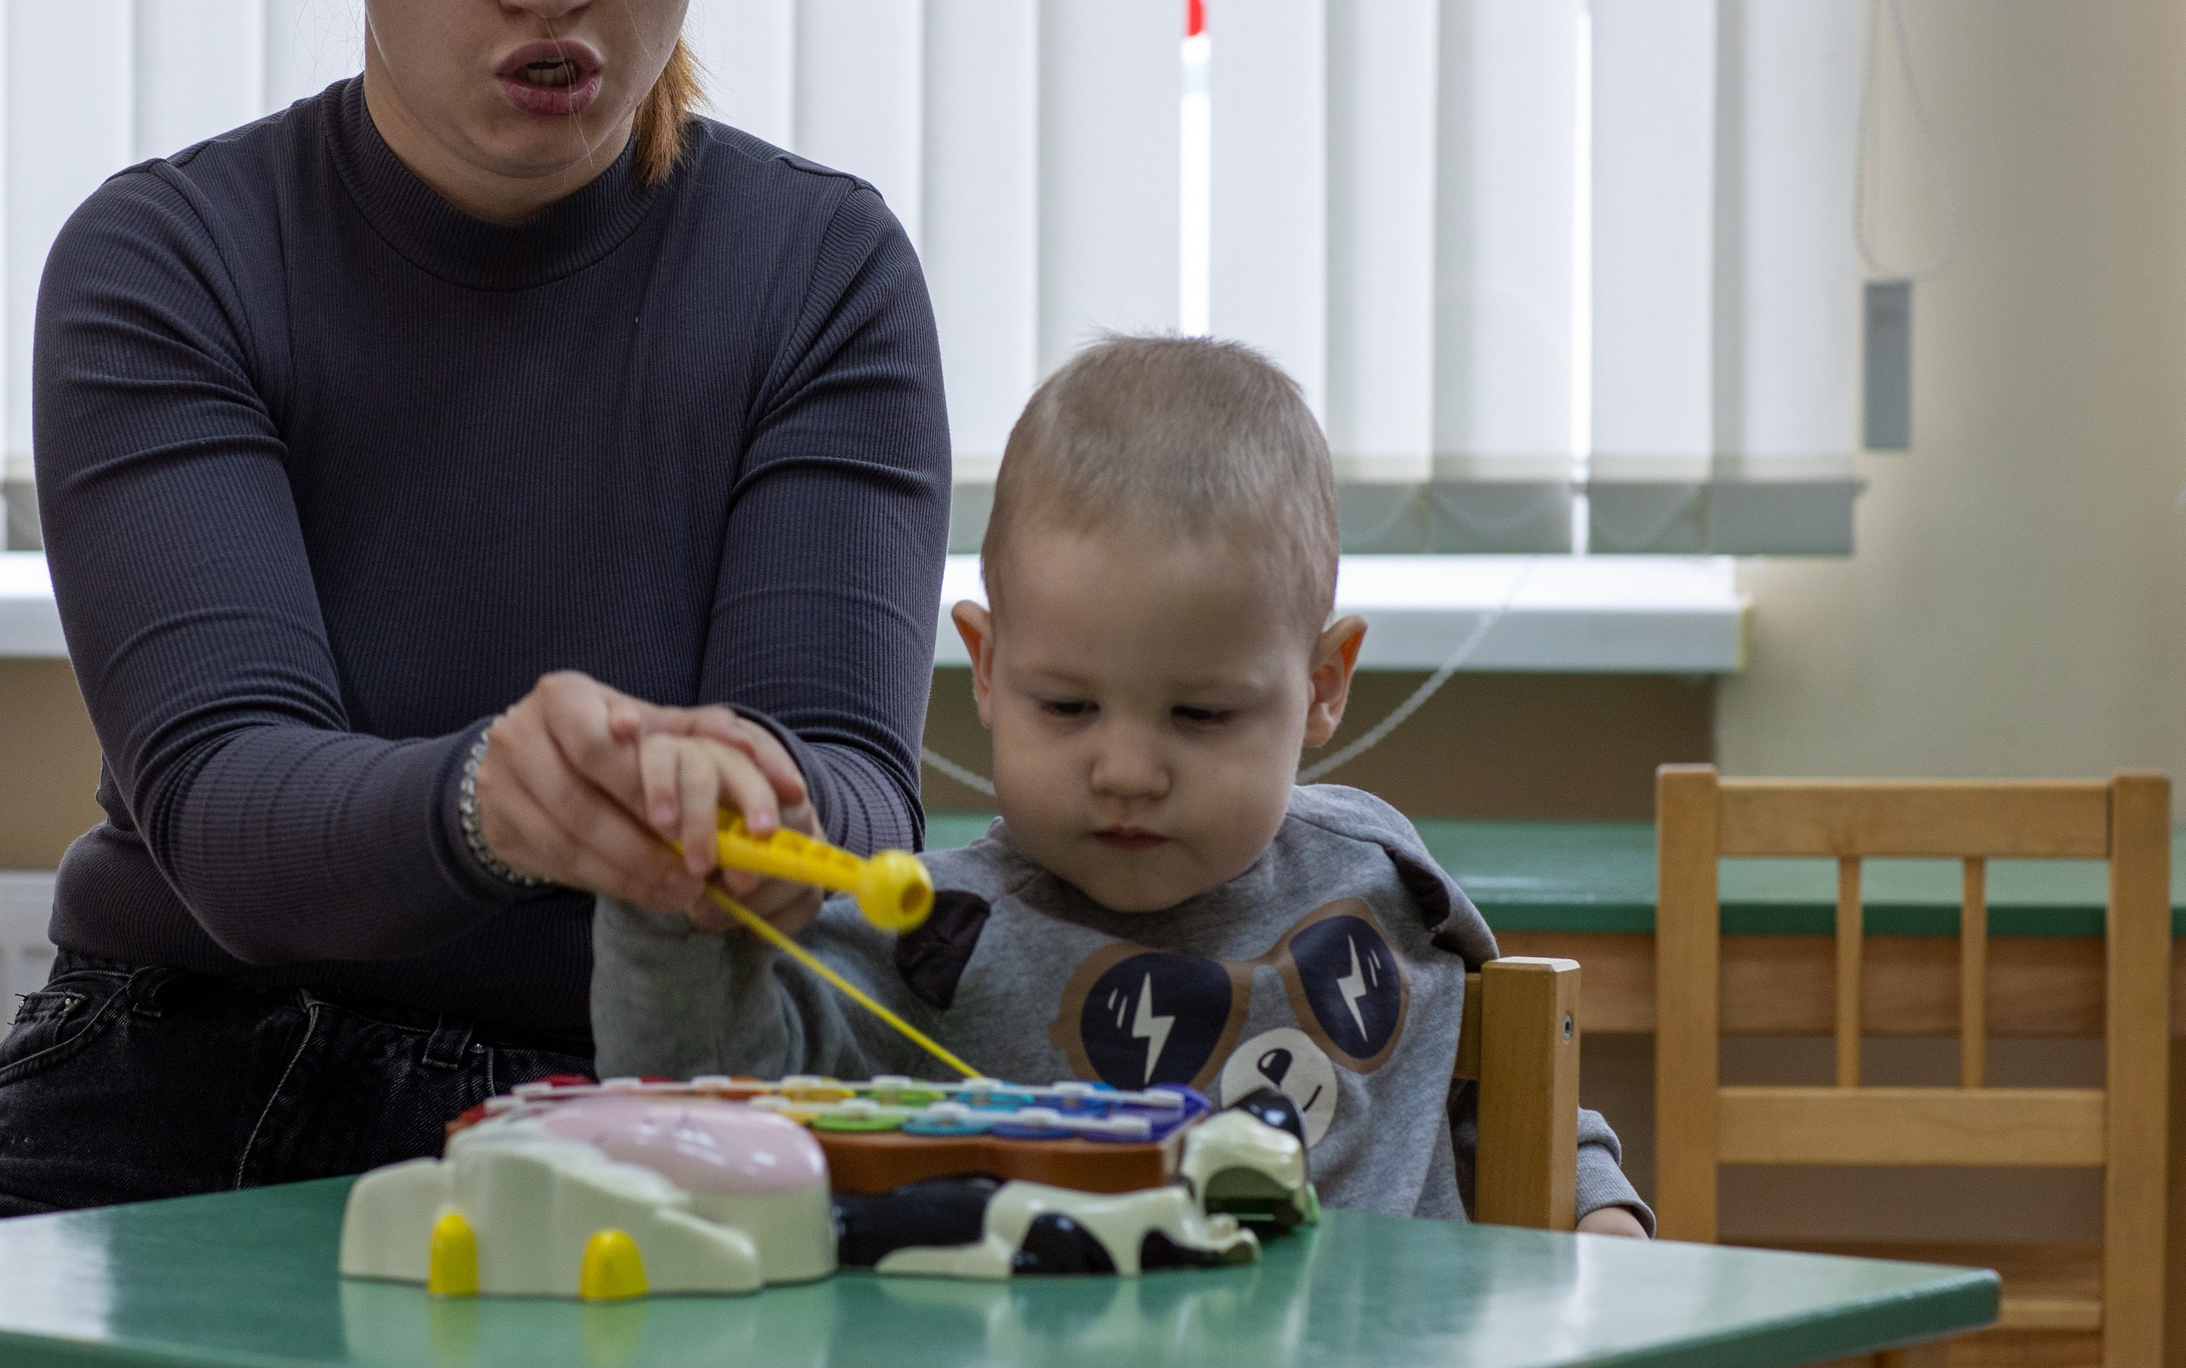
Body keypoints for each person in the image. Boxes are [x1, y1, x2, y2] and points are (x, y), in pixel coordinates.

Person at [0, 0, 947, 1228]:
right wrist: (487, 803)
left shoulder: (823, 276)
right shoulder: (169, 261)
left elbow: (857, 794)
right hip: (188, 1071)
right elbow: (224, 803)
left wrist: (755, 803)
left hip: (657, 1100)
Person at [593, 337, 1651, 1234]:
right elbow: (698, 1105)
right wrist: (670, 908)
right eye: (1068, 705)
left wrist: (1599, 1210)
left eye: (1199, 715)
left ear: (1322, 684)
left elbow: (1497, 1098)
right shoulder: (927, 940)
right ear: (991, 669)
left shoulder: (1382, 880)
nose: (1129, 771)